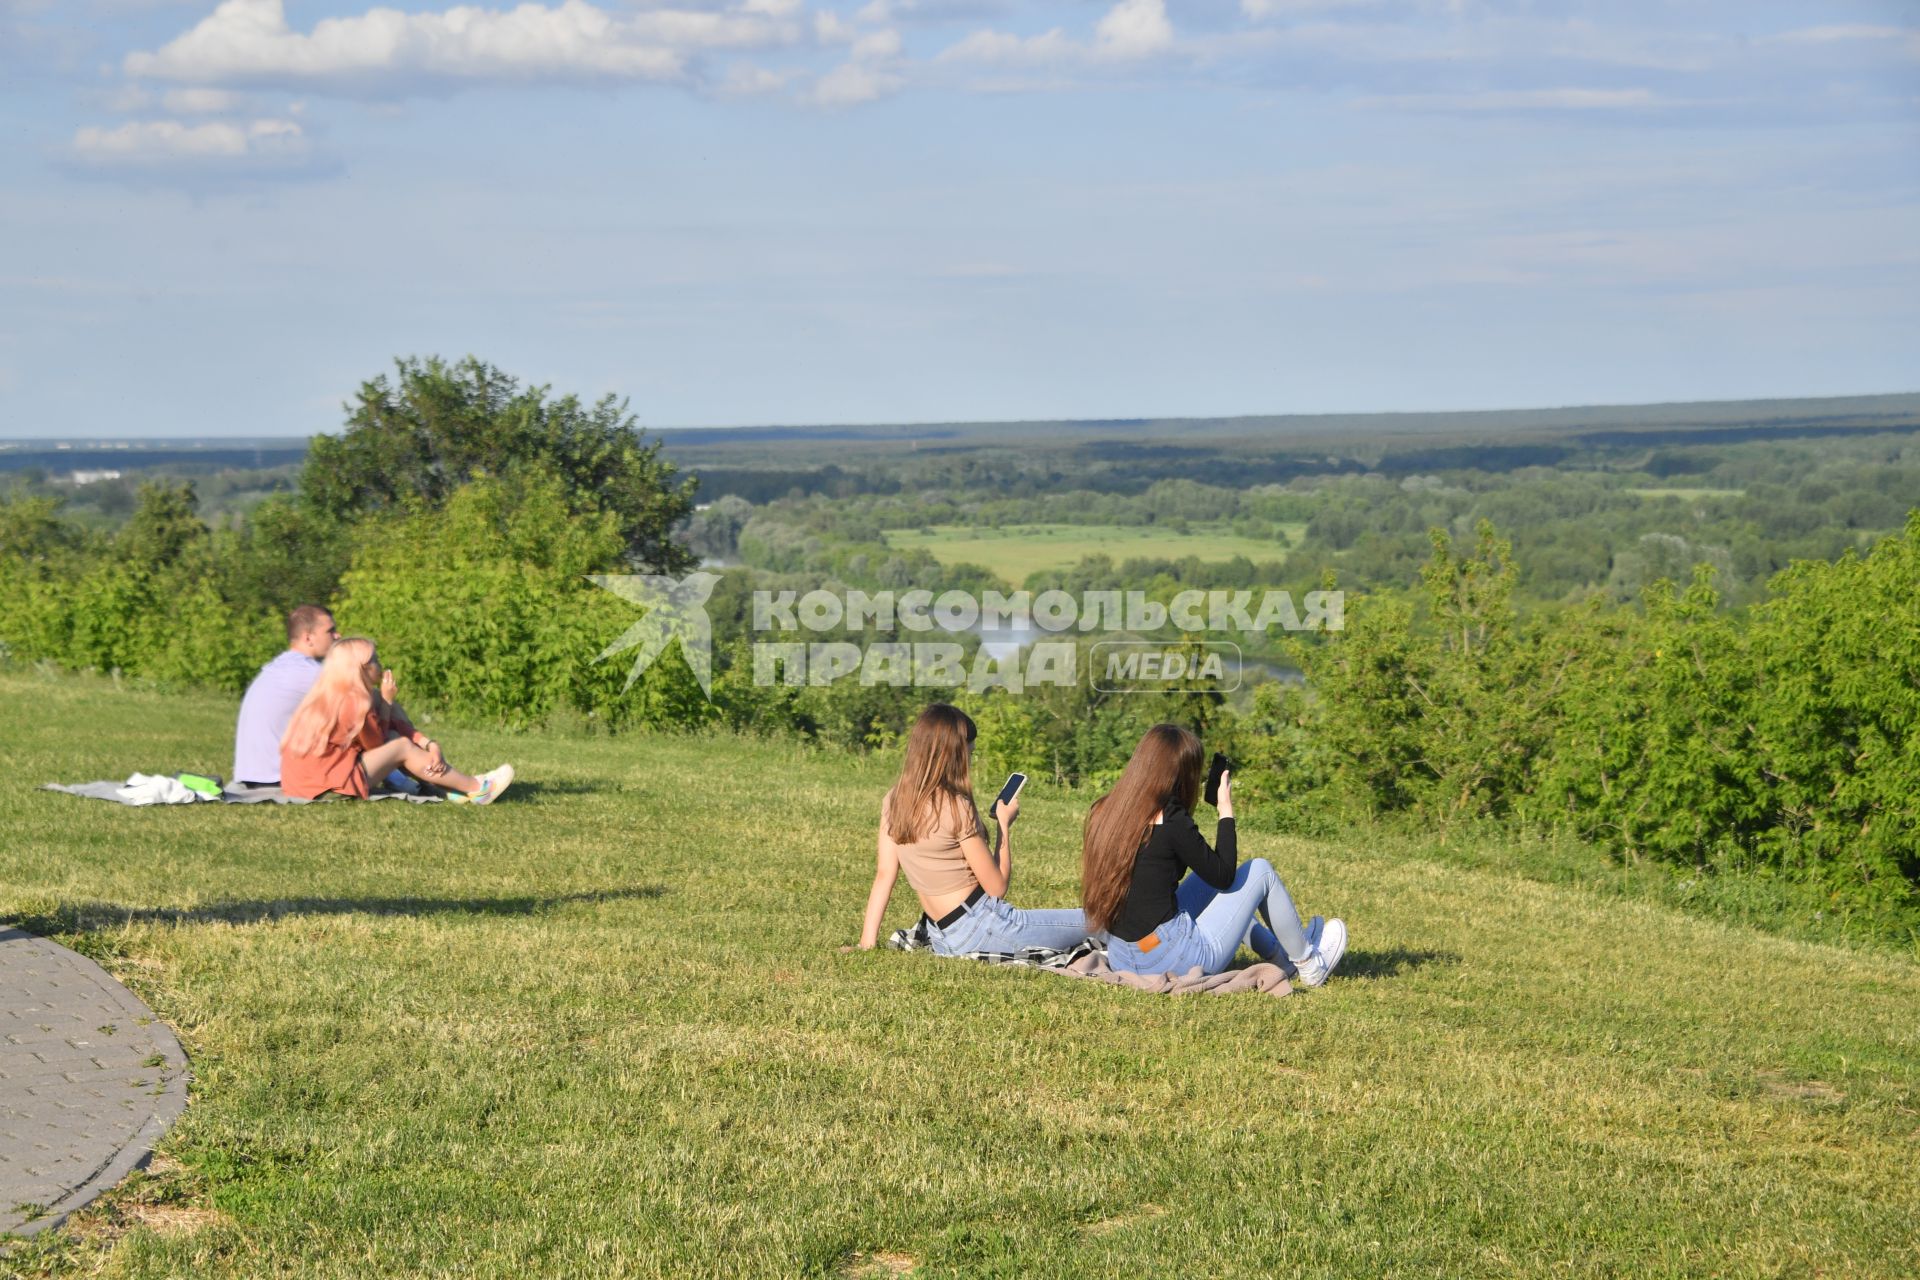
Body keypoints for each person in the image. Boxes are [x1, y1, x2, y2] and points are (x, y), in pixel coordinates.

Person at [1082, 723, 1347, 986]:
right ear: (1181, 774)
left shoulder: (1104, 811)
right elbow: (1224, 875)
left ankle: (1279, 953)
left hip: (1123, 956)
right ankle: (1309, 963)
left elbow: (1213, 876)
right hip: (1172, 959)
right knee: (1260, 870)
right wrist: (1225, 809)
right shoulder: (1171, 817)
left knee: (1206, 883)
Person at [854, 703, 1088, 955]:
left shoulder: (894, 800)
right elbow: (996, 888)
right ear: (953, 755)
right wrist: (1003, 826)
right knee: (1101, 919)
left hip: (943, 937)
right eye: (970, 754)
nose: (971, 762)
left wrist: (866, 944)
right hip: (982, 928)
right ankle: (1137, 952)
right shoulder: (957, 807)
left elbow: (884, 874)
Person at [280, 637, 513, 804]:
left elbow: (392, 728)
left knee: (397, 737)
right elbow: (379, 745)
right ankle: (477, 789)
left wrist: (428, 744)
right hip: (327, 786)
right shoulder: (353, 702)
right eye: (375, 660)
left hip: (305, 784)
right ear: (361, 668)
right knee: (399, 746)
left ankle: (452, 788)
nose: (381, 665)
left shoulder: (333, 692)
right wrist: (387, 703)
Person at [232, 604, 339, 787]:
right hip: (278, 777)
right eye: (331, 631)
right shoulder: (307, 672)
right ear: (308, 638)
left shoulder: (280, 667)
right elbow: (359, 706)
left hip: (254, 775)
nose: (337, 636)